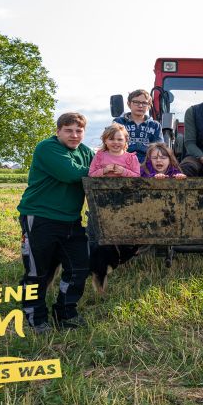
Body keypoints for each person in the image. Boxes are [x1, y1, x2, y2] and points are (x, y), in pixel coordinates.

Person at [17, 112, 94, 332]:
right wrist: (100, 169)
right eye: (68, 130)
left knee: (79, 268)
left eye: (79, 131)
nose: (74, 135)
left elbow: (97, 171)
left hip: (71, 220)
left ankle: (65, 312)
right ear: (58, 131)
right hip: (40, 218)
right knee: (37, 272)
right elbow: (70, 173)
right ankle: (36, 317)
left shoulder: (86, 152)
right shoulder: (47, 148)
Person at [88, 123, 141, 293]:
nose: (116, 142)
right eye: (111, 139)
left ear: (126, 141)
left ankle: (122, 254)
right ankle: (97, 267)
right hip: (103, 199)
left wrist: (122, 171)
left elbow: (137, 177)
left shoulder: (130, 158)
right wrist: (104, 170)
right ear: (105, 140)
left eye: (120, 139)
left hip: (124, 198)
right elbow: (90, 175)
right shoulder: (100, 156)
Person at [114, 89, 163, 163]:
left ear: (149, 106)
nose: (140, 106)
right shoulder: (119, 122)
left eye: (144, 103)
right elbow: (112, 144)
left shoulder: (155, 125)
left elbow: (159, 148)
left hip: (147, 162)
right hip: (123, 161)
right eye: (136, 102)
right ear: (129, 104)